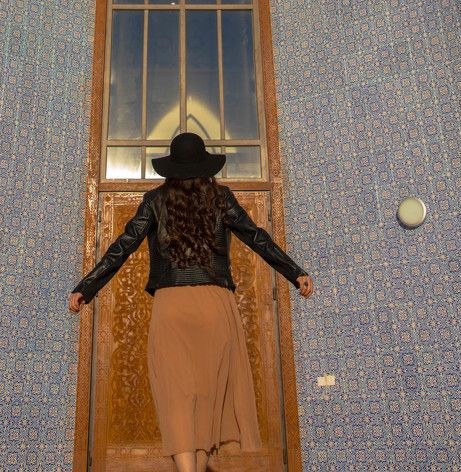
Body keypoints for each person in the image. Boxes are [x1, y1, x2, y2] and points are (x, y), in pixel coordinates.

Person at [68, 132, 313, 472]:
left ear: (171, 169)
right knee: (209, 398)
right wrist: (295, 272)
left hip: (172, 306)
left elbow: (122, 246)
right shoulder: (221, 198)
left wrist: (86, 287)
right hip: (215, 305)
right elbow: (256, 237)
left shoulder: (154, 200)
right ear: (205, 167)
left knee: (177, 398)